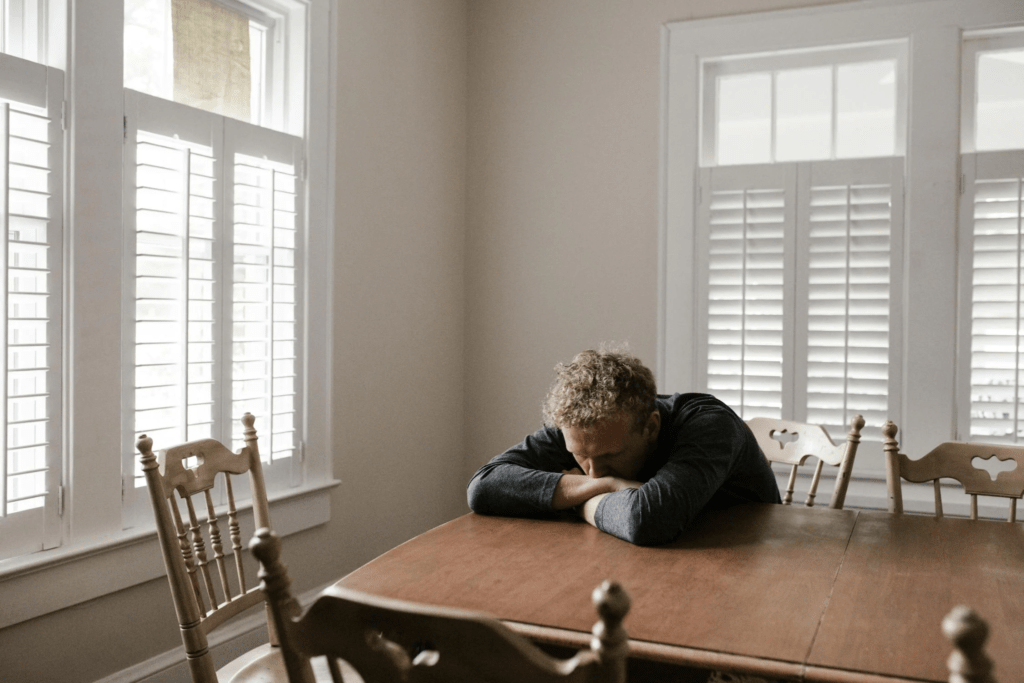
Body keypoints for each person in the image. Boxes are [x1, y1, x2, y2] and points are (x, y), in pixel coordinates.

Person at [467, 347, 781, 546]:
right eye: (580, 456)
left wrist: (579, 501)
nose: (594, 472)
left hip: (757, 561)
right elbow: (484, 487)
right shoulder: (583, 428)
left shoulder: (709, 425)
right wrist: (609, 485)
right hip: (649, 557)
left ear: (651, 426)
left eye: (610, 458)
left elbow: (648, 520)